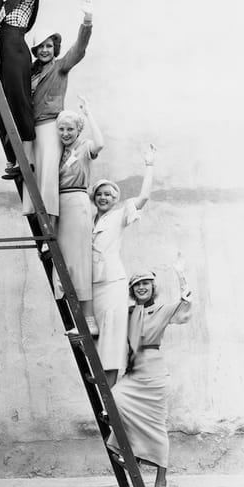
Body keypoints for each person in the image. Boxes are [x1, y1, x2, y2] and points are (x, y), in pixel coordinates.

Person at [106, 257, 193, 487]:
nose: (142, 287)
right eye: (137, 285)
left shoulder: (163, 309)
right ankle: (130, 452)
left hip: (154, 376)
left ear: (153, 287)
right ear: (132, 290)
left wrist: (182, 276)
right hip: (133, 374)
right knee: (114, 399)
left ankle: (161, 480)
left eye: (146, 283)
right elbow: (107, 327)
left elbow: (184, 308)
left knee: (156, 428)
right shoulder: (129, 312)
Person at [22, 0, 93, 223]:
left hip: (51, 126)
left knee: (49, 176)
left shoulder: (60, 67)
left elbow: (79, 50)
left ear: (55, 49)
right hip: (31, 129)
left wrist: (87, 20)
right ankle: (38, 223)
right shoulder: (30, 72)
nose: (45, 50)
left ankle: (50, 224)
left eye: (49, 46)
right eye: (41, 46)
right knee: (33, 173)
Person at [91, 146, 157, 387]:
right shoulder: (87, 219)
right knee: (98, 336)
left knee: (111, 338)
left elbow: (143, 199)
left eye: (109, 194)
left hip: (112, 283)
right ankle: (103, 385)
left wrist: (149, 166)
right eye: (100, 194)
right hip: (93, 286)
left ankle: (110, 389)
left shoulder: (119, 215)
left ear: (115, 199)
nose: (104, 198)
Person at [0, 0, 45, 180]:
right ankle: (15, 157)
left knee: (20, 101)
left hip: (16, 51)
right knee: (8, 104)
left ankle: (28, 160)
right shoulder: (2, 5)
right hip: (5, 53)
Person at [54, 97, 104, 333]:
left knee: (79, 260)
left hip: (77, 201)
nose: (65, 133)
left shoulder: (84, 147)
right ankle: (78, 320)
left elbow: (100, 144)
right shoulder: (57, 152)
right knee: (64, 259)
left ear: (78, 130)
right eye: (61, 129)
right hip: (60, 204)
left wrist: (88, 113)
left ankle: (88, 320)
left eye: (70, 129)